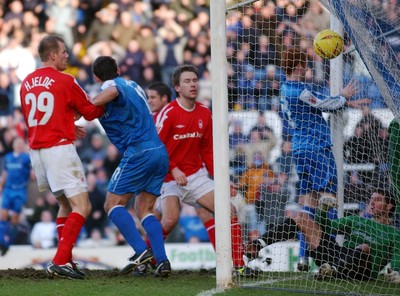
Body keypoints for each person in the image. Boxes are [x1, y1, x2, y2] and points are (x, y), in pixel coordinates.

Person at [19, 34, 105, 279]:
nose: (68, 55)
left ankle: (65, 260)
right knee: (83, 206)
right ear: (53, 55)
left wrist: (67, 124)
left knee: (65, 205)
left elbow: (38, 117)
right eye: (64, 52)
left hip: (37, 151)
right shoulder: (65, 80)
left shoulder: (26, 82)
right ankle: (59, 261)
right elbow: (90, 112)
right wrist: (111, 96)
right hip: (59, 149)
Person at [280, 47, 370, 271]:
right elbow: (322, 103)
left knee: (308, 204)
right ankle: (328, 258)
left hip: (300, 151)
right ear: (298, 66)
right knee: (329, 201)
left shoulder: (284, 88)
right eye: (306, 65)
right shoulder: (299, 91)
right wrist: (344, 97)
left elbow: (318, 103)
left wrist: (344, 102)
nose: (308, 69)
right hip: (316, 149)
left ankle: (302, 258)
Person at [154, 64, 244, 271]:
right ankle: (150, 259)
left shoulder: (204, 113)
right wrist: (174, 168)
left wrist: (221, 180)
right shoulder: (168, 114)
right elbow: (157, 148)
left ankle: (239, 265)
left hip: (196, 176)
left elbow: (208, 151)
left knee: (229, 210)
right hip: (169, 177)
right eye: (187, 81)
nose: (193, 84)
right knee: (169, 220)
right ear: (177, 87)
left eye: (195, 80)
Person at [90, 56, 171, 278]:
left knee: (112, 204)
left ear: (96, 77)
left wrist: (89, 103)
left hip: (139, 152)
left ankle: (141, 251)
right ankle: (162, 261)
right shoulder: (133, 84)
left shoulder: (110, 86)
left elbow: (112, 90)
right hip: (159, 152)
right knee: (144, 209)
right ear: (118, 68)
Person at [245, 188, 400, 282]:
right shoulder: (357, 220)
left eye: (378, 200)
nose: (372, 203)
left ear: (389, 206)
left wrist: (397, 272)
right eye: (371, 199)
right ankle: (258, 245)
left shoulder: (394, 234)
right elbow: (327, 227)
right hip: (337, 256)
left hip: (361, 270)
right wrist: (323, 210)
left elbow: (397, 257)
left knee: (364, 247)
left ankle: (333, 270)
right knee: (301, 218)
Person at [0, 137, 32, 255]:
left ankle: (7, 242)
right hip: (8, 190)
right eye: (17, 143)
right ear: (13, 145)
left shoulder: (26, 158)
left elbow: (32, 176)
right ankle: (2, 241)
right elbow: (5, 173)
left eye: (21, 143)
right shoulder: (8, 158)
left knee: (14, 218)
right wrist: (1, 186)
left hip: (20, 191)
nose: (19, 145)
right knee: (2, 215)